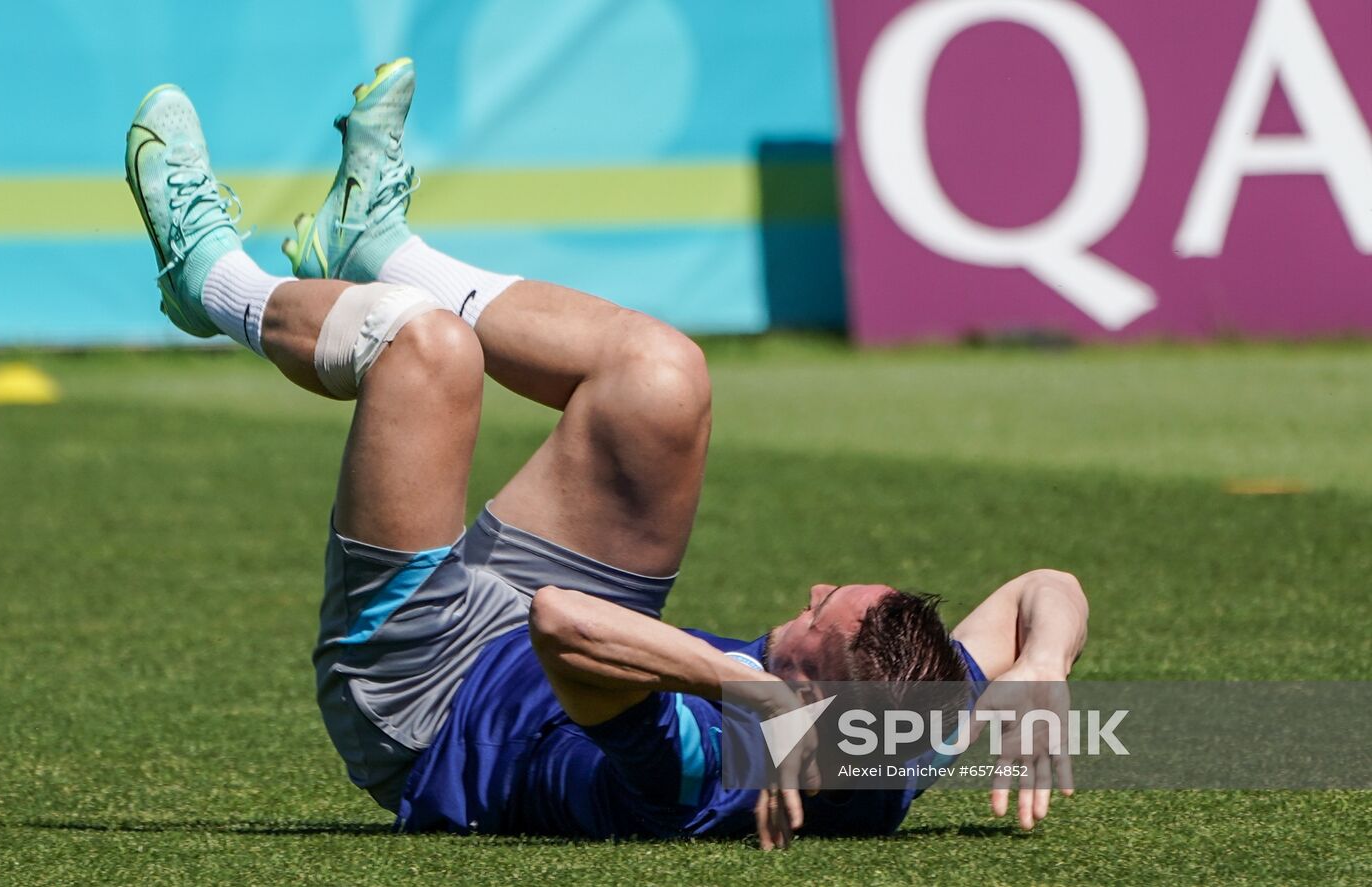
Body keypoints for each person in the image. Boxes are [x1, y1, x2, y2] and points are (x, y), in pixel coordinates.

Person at [125, 58, 1090, 850]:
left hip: (426, 696)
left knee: (426, 351)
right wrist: (1042, 657)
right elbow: (1045, 585)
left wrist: (730, 679)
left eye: (811, 620)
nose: (810, 590)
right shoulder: (901, 729)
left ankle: (210, 281)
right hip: (550, 644)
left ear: (804, 699)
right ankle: (378, 247)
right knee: (665, 377)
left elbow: (562, 622)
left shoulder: (705, 770)